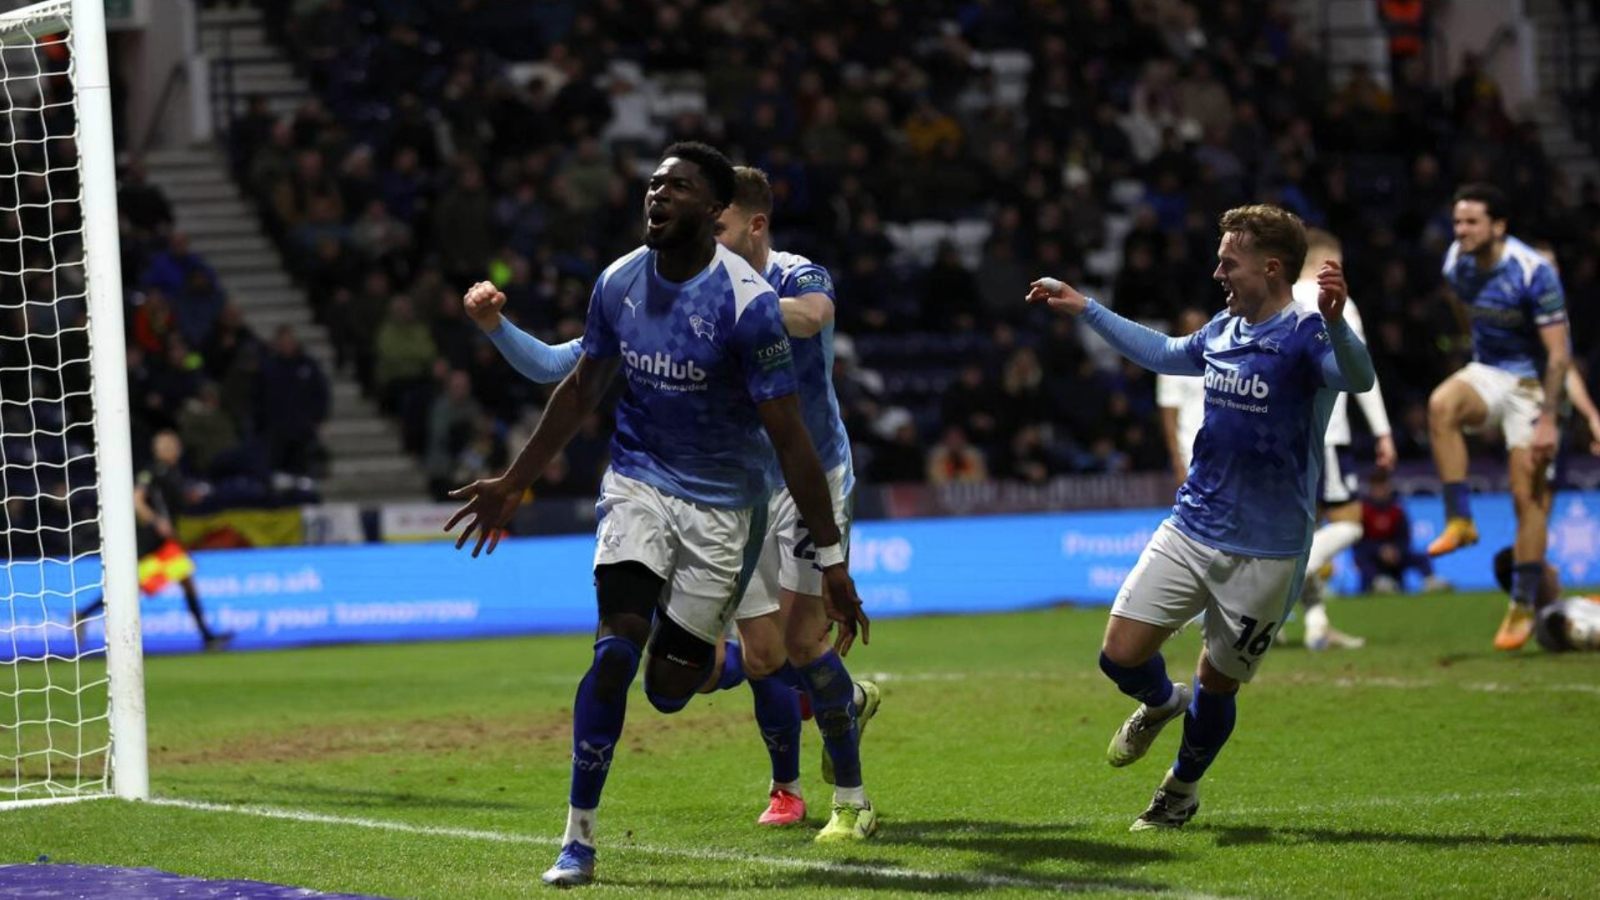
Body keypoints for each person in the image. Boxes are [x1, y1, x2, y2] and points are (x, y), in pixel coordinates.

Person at [442, 143, 870, 888]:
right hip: (637, 485)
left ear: (714, 211)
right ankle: (577, 839)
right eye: (653, 184)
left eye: (677, 187)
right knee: (613, 653)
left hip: (726, 510)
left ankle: (730, 675)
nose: (657, 195)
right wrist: (515, 480)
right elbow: (577, 387)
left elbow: (789, 436)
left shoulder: (750, 305)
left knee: (671, 687)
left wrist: (832, 562)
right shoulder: (619, 282)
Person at [1027, 204, 1375, 830]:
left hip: (1267, 551)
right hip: (1192, 526)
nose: (1217, 272)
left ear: (1271, 268)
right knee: (1119, 655)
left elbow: (1359, 378)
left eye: (1228, 261)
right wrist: (1087, 308)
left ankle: (1180, 790)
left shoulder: (1306, 336)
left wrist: (1339, 324)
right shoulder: (1223, 329)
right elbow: (1162, 352)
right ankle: (1161, 703)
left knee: (1219, 683)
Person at [1426, 184, 1572, 652]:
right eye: (1457, 222)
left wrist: (1549, 419)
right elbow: (1461, 306)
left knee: (1525, 496)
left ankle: (1524, 604)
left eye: (1471, 222)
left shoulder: (1534, 272)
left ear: (1499, 226)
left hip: (1532, 386)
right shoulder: (1456, 262)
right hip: (1490, 370)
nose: (1461, 231)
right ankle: (1460, 519)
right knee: (1440, 405)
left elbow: (1557, 356)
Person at [1290, 228, 1399, 649]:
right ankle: (1291, 575)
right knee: (1350, 523)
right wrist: (1383, 431)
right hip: (1327, 434)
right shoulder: (1334, 302)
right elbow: (1361, 372)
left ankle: (1316, 624)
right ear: (1326, 264)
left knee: (1298, 529)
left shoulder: (1276, 303)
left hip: (1283, 434)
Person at [74, 431, 233, 652]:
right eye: (172, 446)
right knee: (134, 587)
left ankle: (207, 636)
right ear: (162, 449)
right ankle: (83, 614)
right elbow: (137, 499)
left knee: (180, 580)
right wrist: (156, 522)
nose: (176, 450)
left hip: (163, 540)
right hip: (152, 541)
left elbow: (168, 500)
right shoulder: (153, 471)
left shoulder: (171, 472)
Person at [1353, 468, 1449, 594]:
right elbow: (1358, 541)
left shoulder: (1396, 508)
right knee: (1363, 559)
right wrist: (1379, 550)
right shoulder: (1363, 510)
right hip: (1372, 554)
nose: (1380, 490)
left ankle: (1430, 580)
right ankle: (1377, 583)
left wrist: (1396, 550)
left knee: (1421, 557)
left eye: (1383, 486)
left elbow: (1405, 537)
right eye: (1377, 487)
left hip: (1395, 553)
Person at [1490, 548, 1600, 653]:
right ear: (1534, 578)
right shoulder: (1551, 620)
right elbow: (1591, 633)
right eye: (1547, 565)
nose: (1555, 569)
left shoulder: (1561, 609)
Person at [1155, 307, 1210, 493]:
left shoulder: (1221, 360)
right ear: (1181, 330)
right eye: (1191, 328)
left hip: (1223, 447)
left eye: (1201, 327)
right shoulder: (1171, 366)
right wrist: (1177, 460)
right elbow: (1168, 417)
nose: (1197, 332)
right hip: (1190, 448)